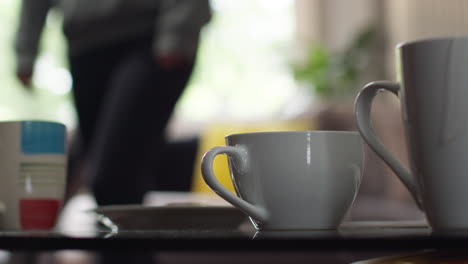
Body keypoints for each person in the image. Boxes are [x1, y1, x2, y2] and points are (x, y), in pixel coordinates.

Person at [14, 0, 212, 206]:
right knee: (107, 178)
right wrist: (25, 49)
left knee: (112, 177)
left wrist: (179, 32)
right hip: (84, 46)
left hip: (150, 37)